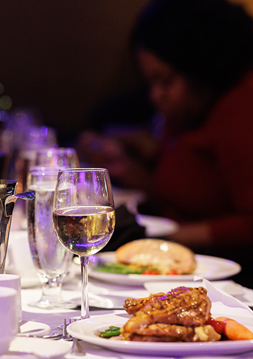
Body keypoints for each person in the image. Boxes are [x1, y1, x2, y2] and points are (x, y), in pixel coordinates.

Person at [79, 0, 253, 287]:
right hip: (182, 271)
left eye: (165, 81)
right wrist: (129, 169)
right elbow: (185, 194)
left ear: (201, 70)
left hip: (229, 281)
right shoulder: (187, 114)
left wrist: (158, 243)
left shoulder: (240, 111)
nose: (155, 95)